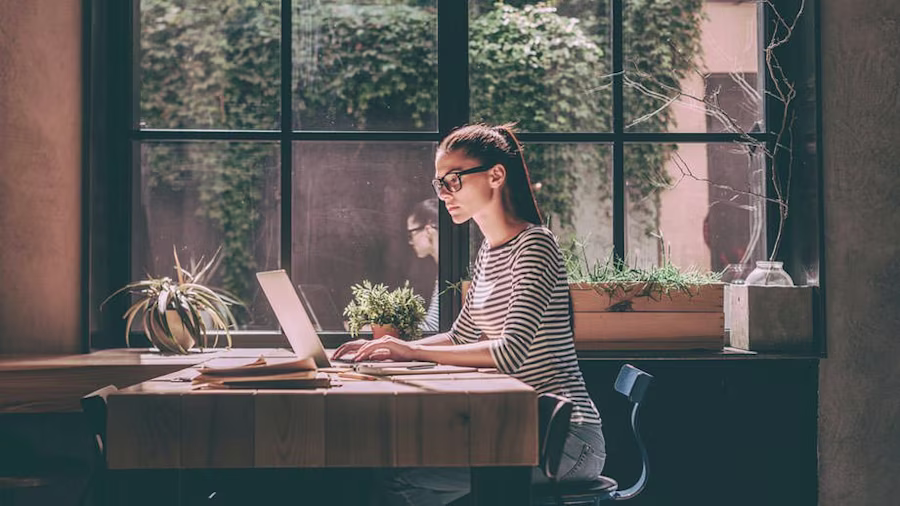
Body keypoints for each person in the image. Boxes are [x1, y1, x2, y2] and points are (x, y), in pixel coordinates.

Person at [334, 123, 605, 506]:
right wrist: (394, 348)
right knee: (387, 467)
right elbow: (462, 335)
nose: (444, 193)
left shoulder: (536, 246)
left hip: (565, 439)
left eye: (454, 180)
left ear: (496, 175)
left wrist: (413, 353)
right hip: (516, 429)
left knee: (402, 482)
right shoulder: (488, 252)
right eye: (439, 183)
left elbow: (510, 352)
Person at [407, 199, 440, 332]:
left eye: (411, 233)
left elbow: (433, 328)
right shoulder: (443, 270)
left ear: (427, 230)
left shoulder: (447, 273)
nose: (410, 242)